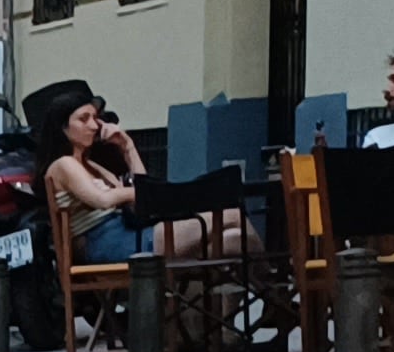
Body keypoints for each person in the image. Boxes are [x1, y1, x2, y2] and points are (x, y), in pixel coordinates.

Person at [41, 92, 244, 264]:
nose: (94, 126)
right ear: (63, 127)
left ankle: (266, 304)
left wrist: (128, 147)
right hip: (110, 243)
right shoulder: (64, 164)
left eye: (95, 118)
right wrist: (134, 193)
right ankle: (274, 295)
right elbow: (102, 200)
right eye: (83, 119)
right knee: (233, 216)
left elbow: (144, 196)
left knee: (233, 240)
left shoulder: (93, 166)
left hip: (130, 234)